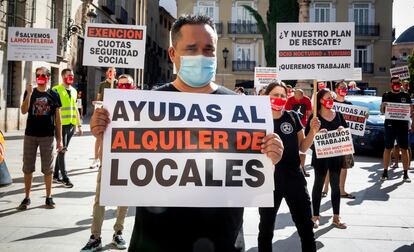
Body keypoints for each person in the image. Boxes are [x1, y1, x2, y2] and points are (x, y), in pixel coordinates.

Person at [90, 14, 284, 252]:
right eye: (191, 49)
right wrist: (106, 131)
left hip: (223, 239)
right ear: (173, 54)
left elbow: (255, 177)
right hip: (158, 240)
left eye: (208, 49)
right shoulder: (143, 107)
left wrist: (271, 157)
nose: (201, 56)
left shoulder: (242, 107)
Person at [258, 82, 319, 252]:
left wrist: (313, 132)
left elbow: (303, 147)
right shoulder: (258, 119)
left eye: (283, 96)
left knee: (306, 227)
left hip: (294, 179)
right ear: (265, 97)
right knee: (266, 228)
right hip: (268, 183)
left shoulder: (292, 117)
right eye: (275, 95)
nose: (279, 98)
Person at [80, 74, 136, 252]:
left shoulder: (139, 105)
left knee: (124, 199)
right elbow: (96, 131)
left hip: (129, 160)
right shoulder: (107, 105)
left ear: (133, 87)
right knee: (100, 199)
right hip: (109, 158)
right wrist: (96, 125)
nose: (124, 88)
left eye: (128, 85)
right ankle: (95, 237)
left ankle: (118, 232)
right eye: (121, 85)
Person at [18, 66, 62, 210]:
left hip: (47, 136)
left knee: (48, 168)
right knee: (28, 167)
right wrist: (29, 94)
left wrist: (60, 140)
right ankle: (26, 197)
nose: (40, 77)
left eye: (43, 75)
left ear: (48, 77)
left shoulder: (54, 94)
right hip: (30, 135)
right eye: (38, 75)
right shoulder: (30, 92)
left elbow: (58, 119)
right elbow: (24, 111)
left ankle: (49, 197)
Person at [305, 88, 348, 229]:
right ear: (320, 101)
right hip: (321, 158)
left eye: (331, 98)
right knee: (318, 185)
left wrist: (342, 131)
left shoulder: (339, 115)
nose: (330, 100)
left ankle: (336, 217)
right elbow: (307, 141)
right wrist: (316, 134)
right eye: (327, 98)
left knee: (336, 186)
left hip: (336, 156)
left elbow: (347, 137)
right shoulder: (314, 118)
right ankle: (315, 216)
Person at [322, 82, 357, 199]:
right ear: (336, 89)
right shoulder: (332, 103)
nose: (344, 89)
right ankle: (325, 188)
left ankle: (342, 190)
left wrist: (361, 118)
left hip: (344, 139)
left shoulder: (350, 104)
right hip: (331, 139)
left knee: (344, 166)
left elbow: (354, 122)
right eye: (341, 87)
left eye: (345, 87)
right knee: (327, 165)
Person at [52, 69, 83, 188]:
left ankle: (55, 175)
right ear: (63, 77)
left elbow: (75, 108)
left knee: (62, 151)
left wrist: (79, 125)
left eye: (72, 76)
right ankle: (64, 177)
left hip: (70, 125)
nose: (71, 77)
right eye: (69, 75)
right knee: (62, 150)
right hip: (59, 125)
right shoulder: (56, 90)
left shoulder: (74, 91)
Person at [380, 77, 412, 182]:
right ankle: (385, 172)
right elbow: (382, 111)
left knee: (404, 149)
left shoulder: (406, 96)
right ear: (390, 84)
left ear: (401, 84)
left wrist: (411, 109)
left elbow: (410, 111)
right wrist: (383, 105)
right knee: (388, 148)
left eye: (398, 83)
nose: (396, 84)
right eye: (394, 83)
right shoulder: (386, 95)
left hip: (402, 126)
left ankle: (406, 173)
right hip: (389, 125)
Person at [90, 67, 117, 169]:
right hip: (103, 113)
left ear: (115, 73)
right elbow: (99, 97)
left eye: (113, 71)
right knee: (99, 138)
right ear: (107, 73)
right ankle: (96, 159)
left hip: (114, 115)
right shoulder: (102, 84)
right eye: (109, 71)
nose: (111, 73)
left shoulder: (118, 83)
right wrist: (96, 106)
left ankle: (105, 160)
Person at [285, 88, 313, 177]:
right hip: (292, 126)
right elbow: (287, 113)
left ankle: (302, 168)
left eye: (300, 97)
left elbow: (309, 113)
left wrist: (309, 124)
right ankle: (293, 168)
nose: (298, 100)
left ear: (303, 95)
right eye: (296, 98)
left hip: (303, 125)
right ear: (294, 95)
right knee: (293, 148)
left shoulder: (306, 100)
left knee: (302, 150)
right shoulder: (290, 100)